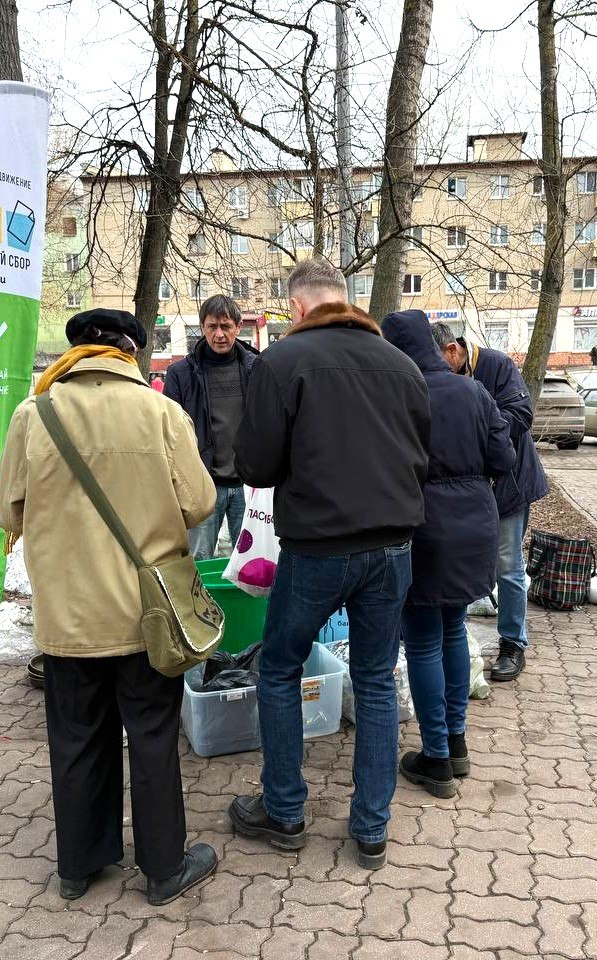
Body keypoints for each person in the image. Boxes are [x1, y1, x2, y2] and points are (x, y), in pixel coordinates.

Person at [0, 308, 218, 905]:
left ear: (77, 352)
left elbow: (6, 512)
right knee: (151, 738)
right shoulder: (161, 412)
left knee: (75, 740)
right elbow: (199, 503)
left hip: (67, 620)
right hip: (146, 618)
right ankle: (165, 870)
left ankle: (78, 866)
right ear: (127, 351)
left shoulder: (32, 415)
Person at [229, 259, 431, 870]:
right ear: (347, 301)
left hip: (318, 547)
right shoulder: (402, 365)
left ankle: (285, 812)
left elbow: (256, 466)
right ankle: (371, 828)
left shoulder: (282, 363)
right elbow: (422, 456)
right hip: (392, 546)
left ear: (298, 307)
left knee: (281, 667)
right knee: (374, 681)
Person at [382, 311, 516, 798]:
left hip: (424, 528)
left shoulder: (399, 395)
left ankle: (435, 756)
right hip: (474, 525)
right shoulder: (475, 390)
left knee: (421, 641)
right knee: (454, 630)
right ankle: (455, 745)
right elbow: (505, 459)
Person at [430, 323, 548, 682]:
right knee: (464, 562)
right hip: (471, 492)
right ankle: (458, 641)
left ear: (453, 350)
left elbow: (522, 415)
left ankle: (513, 643)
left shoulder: (497, 366)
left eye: (439, 362)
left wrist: (476, 424)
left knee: (507, 564)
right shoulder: (444, 377)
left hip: (509, 484)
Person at [164, 294, 259, 560]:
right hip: (202, 485)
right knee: (199, 563)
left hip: (248, 487)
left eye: (226, 326)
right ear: (202, 327)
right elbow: (170, 432)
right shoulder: (181, 374)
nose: (219, 334)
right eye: (212, 327)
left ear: (238, 327)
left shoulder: (257, 367)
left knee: (250, 566)